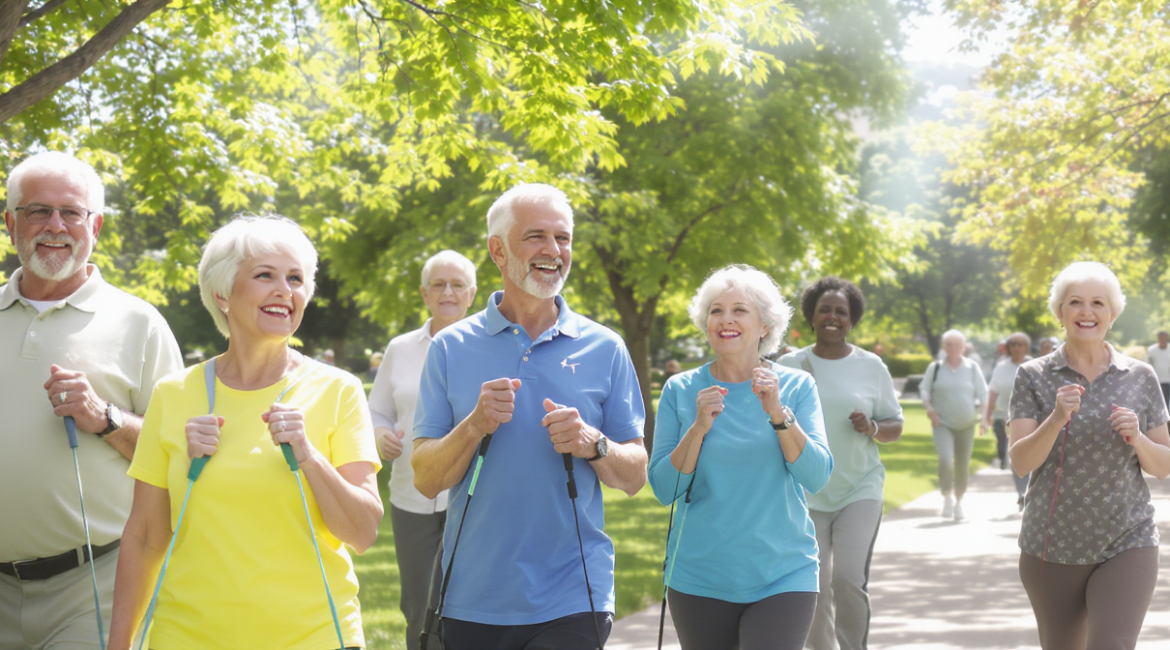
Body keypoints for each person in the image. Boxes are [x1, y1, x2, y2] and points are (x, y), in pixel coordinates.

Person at [108, 215, 383, 649]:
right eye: (264, 276)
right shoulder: (174, 394)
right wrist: (118, 644)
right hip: (186, 637)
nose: (285, 291)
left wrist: (309, 455)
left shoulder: (338, 390)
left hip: (313, 637)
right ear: (222, 294)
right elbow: (144, 536)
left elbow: (363, 532)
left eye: (296, 279)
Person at [412, 183, 647, 650]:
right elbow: (426, 479)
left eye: (563, 238)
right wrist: (474, 424)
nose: (553, 250)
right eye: (536, 236)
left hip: (574, 595)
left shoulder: (605, 347)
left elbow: (635, 474)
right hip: (473, 597)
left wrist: (591, 442)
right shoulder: (449, 348)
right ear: (497, 250)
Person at [0, 152, 184, 649]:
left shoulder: (139, 324)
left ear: (95, 225)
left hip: (93, 585)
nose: (55, 225)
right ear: (9, 221)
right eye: (37, 210)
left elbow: (181, 453)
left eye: (72, 212)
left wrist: (105, 418)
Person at [648, 265, 832, 650]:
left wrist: (779, 415)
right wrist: (697, 429)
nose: (726, 319)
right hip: (699, 577)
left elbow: (817, 476)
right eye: (716, 310)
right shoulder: (680, 389)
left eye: (739, 310)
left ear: (765, 325)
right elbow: (665, 489)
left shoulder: (796, 386)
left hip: (783, 574)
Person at [1008, 261, 1170, 650]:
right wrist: (1056, 418)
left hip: (1127, 539)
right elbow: (1021, 462)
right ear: (1059, 312)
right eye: (1075, 302)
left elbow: (1163, 465)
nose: (1086, 311)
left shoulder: (1140, 376)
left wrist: (1138, 440)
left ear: (1112, 314)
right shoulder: (1033, 375)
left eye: (1098, 302)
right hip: (1053, 546)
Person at [779, 276, 903, 650]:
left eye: (841, 312)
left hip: (858, 489)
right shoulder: (789, 364)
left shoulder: (872, 366)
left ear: (852, 320)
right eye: (825, 310)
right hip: (805, 492)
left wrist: (873, 426)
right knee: (812, 584)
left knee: (848, 579)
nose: (833, 317)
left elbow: (895, 425)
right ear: (812, 317)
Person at [368, 249, 478, 650]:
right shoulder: (400, 348)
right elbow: (376, 409)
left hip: (474, 495)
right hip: (410, 496)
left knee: (470, 603)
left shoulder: (489, 347)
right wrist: (381, 436)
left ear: (472, 293)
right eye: (438, 284)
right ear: (424, 294)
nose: (447, 292)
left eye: (456, 285)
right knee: (419, 603)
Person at [921, 329, 988, 521]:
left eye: (957, 344)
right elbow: (925, 392)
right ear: (944, 346)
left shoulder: (972, 368)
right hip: (942, 423)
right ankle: (947, 496)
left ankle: (959, 501)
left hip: (967, 423)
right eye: (948, 344)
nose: (952, 348)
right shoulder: (935, 368)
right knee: (945, 460)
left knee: (962, 464)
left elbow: (983, 394)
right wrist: (930, 410)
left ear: (964, 347)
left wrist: (983, 419)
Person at [983, 332, 1032, 508]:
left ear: (1026, 346)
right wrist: (986, 416)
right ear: (1009, 348)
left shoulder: (1034, 365)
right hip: (1008, 418)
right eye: (1014, 344)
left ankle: (1031, 490)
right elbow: (993, 392)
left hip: (1034, 417)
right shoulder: (1001, 368)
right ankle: (1022, 493)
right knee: (1015, 455)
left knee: (1034, 454)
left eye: (1021, 344)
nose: (1017, 348)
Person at [1144, 330, 1170, 407]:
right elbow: (1148, 364)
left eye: (1165, 338)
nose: (1163, 340)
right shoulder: (1152, 350)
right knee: (1157, 401)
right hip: (1157, 380)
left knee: (1166, 401)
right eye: (1161, 338)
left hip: (1168, 380)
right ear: (1158, 339)